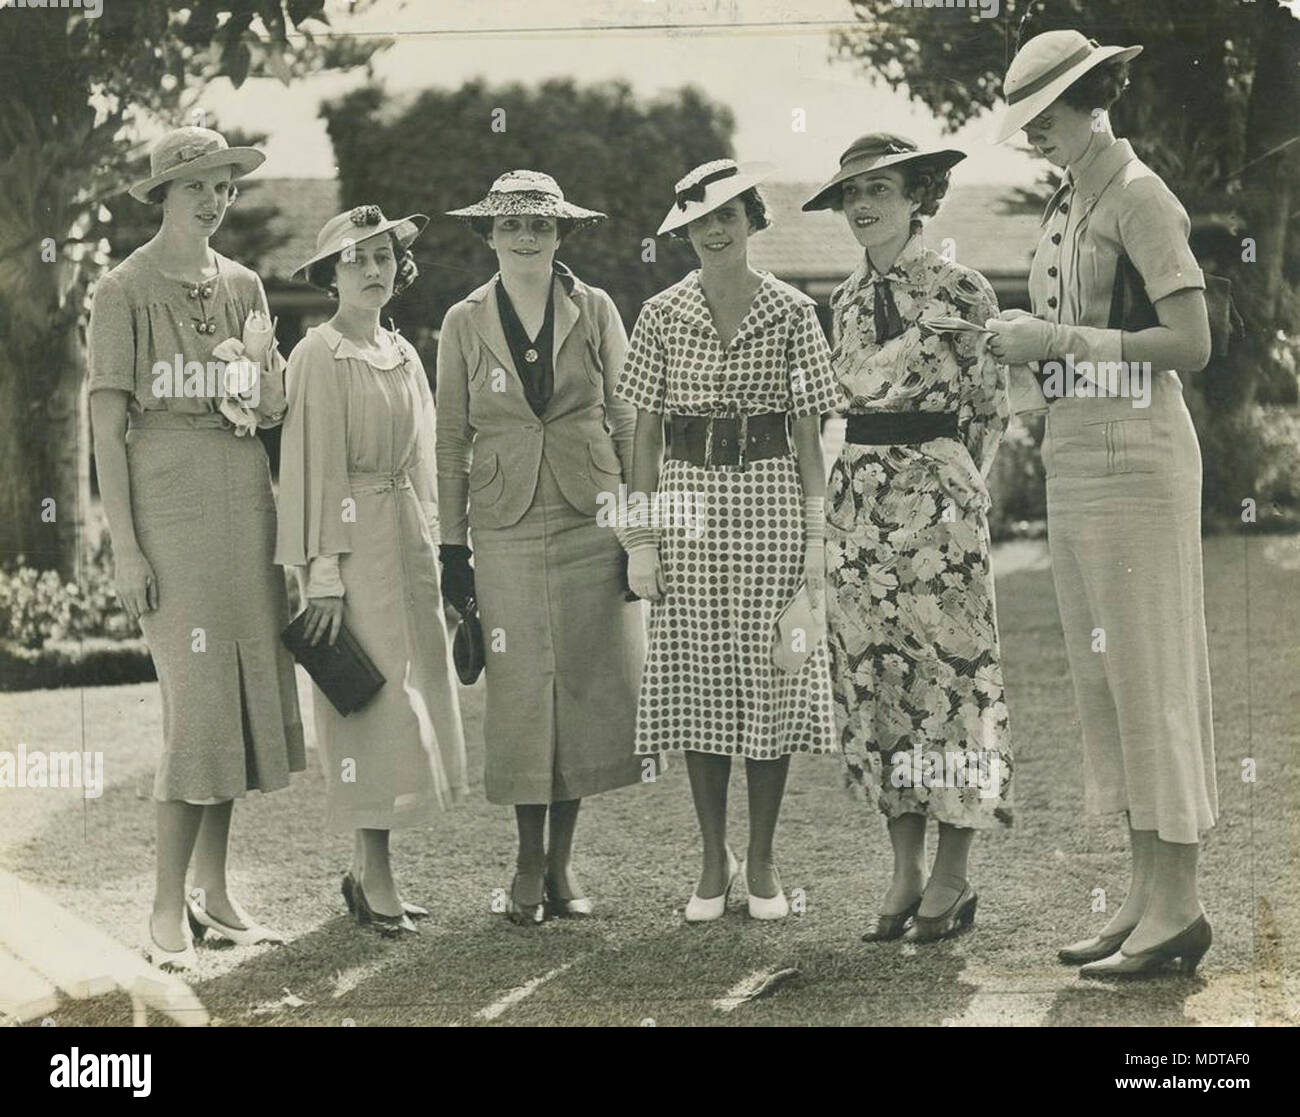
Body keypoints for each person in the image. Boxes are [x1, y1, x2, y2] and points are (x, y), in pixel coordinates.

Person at [987, 30, 1217, 977]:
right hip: (1077, 452)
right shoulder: (1071, 200)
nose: (1037, 133)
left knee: (1152, 674)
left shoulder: (1140, 195)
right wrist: (1030, 357)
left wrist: (1061, 338)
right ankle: (1142, 898)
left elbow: (1192, 341)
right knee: (1108, 685)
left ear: (1093, 99)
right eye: (1029, 121)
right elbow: (1065, 343)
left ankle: (1182, 906)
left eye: (1047, 116)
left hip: (1141, 455)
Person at [87, 127, 304, 970]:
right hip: (167, 509)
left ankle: (215, 895)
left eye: (223, 187)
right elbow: (107, 425)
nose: (214, 200)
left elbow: (271, 405)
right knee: (197, 704)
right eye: (197, 187)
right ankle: (162, 904)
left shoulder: (246, 284)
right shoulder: (122, 289)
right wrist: (127, 549)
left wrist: (266, 375)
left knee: (242, 697)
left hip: (245, 499)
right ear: (165, 195)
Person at [806, 134, 1013, 943]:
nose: (864, 207)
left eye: (881, 190)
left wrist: (950, 486)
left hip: (939, 511)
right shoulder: (844, 302)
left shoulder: (962, 287)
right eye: (851, 194)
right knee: (877, 684)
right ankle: (903, 870)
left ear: (919, 195)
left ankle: (954, 875)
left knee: (952, 682)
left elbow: (990, 408)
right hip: (857, 507)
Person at [618, 159, 837, 921]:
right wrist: (639, 536)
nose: (715, 231)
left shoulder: (793, 311)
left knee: (773, 671)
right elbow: (642, 430)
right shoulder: (659, 313)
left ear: (751, 219)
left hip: (772, 493)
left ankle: (765, 858)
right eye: (700, 220)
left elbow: (810, 432)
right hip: (686, 498)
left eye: (728, 215)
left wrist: (817, 535)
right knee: (698, 675)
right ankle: (715, 858)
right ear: (684, 231)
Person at [437, 171, 649, 924]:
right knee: (524, 691)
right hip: (503, 524)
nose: (527, 237)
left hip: (591, 518)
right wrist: (452, 548)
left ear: (563, 234)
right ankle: (527, 859)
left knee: (584, 686)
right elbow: (450, 437)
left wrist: (635, 529)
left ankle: (562, 868)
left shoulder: (593, 308)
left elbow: (626, 420)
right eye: (512, 226)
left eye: (541, 226)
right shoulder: (463, 321)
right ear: (488, 234)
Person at [276, 205, 469, 936]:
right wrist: (321, 575)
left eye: (383, 255)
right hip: (351, 553)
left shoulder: (403, 352)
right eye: (355, 258)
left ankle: (369, 872)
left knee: (413, 696)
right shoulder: (317, 354)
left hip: (406, 542)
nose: (371, 269)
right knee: (371, 702)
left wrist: (444, 549)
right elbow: (313, 467)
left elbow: (423, 464)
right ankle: (372, 871)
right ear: (330, 274)